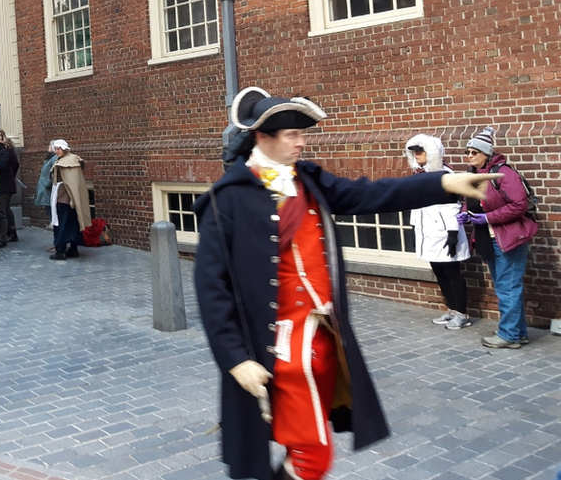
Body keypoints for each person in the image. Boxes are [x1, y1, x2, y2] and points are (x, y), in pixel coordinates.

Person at [192, 87, 499, 480]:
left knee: (304, 446)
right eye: (292, 135)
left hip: (325, 343)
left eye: (303, 134)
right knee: (311, 453)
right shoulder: (227, 200)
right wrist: (235, 358)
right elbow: (211, 289)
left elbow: (369, 193)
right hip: (280, 352)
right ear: (263, 138)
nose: (302, 142)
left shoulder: (308, 179)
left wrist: (443, 183)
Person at [458, 125, 536, 349]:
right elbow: (470, 202)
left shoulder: (504, 174)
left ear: (486, 154)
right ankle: (517, 332)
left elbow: (519, 204)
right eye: (468, 152)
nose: (470, 156)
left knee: (507, 287)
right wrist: (465, 214)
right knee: (506, 286)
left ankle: (509, 335)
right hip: (489, 239)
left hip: (508, 238)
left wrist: (489, 218)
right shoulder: (474, 175)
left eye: (474, 152)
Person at [404, 134, 471, 329]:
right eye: (414, 152)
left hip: (443, 232)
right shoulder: (419, 175)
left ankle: (462, 313)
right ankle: (451, 309)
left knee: (452, 271)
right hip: (427, 232)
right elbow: (416, 206)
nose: (416, 155)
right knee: (439, 271)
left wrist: (452, 233)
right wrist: (414, 227)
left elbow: (452, 206)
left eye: (421, 151)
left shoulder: (444, 175)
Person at [49, 140, 91, 261]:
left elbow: (71, 183)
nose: (56, 151)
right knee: (72, 223)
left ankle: (61, 250)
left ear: (64, 149)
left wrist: (71, 198)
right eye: (55, 149)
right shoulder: (70, 160)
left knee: (63, 224)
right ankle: (73, 248)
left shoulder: (68, 162)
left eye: (58, 149)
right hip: (68, 197)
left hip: (64, 199)